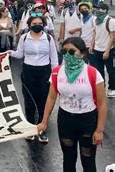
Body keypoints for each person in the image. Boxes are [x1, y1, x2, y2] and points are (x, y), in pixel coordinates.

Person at [37, 37, 107, 172]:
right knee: (68, 159)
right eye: (64, 52)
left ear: (82, 53)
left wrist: (99, 130)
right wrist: (44, 122)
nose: (67, 55)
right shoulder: (57, 72)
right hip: (65, 121)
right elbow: (51, 98)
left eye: (72, 51)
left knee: (88, 159)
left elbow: (102, 103)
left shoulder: (93, 73)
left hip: (88, 121)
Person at [10, 14, 58, 143]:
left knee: (43, 100)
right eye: (34, 23)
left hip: (44, 71)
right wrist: (8, 53)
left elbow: (54, 58)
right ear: (29, 25)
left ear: (43, 25)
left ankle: (42, 129)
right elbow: (19, 54)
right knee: (29, 100)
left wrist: (55, 75)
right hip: (28, 71)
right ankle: (31, 129)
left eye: (40, 23)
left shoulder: (48, 38)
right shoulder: (24, 38)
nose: (37, 25)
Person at [89, 2, 115, 97]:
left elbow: (112, 37)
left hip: (108, 49)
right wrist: (92, 45)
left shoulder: (110, 21)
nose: (97, 10)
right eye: (96, 8)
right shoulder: (96, 20)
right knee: (98, 70)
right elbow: (95, 33)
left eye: (99, 9)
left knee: (110, 70)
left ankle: (112, 88)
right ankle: (100, 87)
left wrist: (107, 51)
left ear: (105, 10)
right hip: (97, 49)